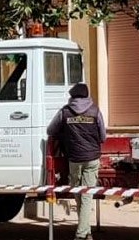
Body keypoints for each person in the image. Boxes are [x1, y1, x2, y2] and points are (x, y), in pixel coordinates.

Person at [47, 82, 106, 240]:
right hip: (92, 158)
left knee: (79, 194)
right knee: (85, 196)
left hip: (74, 158)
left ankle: (83, 233)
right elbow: (103, 136)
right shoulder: (95, 111)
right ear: (87, 95)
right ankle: (83, 233)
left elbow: (50, 130)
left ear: (72, 96)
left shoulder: (65, 112)